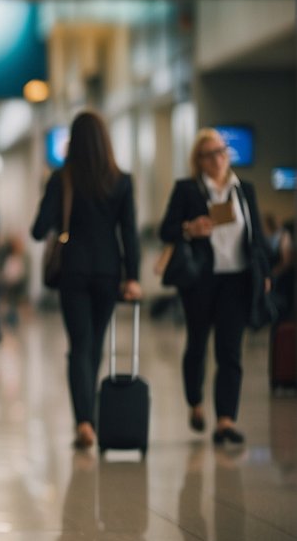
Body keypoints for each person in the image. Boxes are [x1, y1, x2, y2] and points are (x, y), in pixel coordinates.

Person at [31, 111, 141, 450]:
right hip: (109, 271)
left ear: (73, 142)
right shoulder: (121, 180)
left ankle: (84, 422)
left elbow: (38, 230)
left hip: (73, 271)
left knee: (79, 345)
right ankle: (88, 416)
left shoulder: (62, 178)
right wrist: (133, 276)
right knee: (93, 343)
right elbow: (129, 232)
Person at [159, 127, 269, 445]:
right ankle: (195, 401)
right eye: (211, 154)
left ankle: (225, 420)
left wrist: (263, 272)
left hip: (237, 278)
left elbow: (257, 238)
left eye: (222, 152)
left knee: (230, 350)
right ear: (199, 160)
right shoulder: (187, 190)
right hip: (199, 279)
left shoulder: (243, 190)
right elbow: (167, 229)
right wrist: (189, 229)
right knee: (197, 343)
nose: (219, 159)